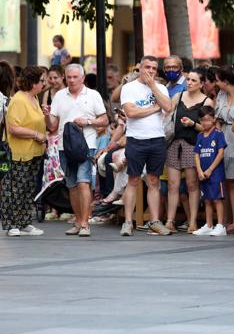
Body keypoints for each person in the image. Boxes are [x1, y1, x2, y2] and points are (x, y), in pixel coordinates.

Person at [46, 64, 108, 236]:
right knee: (71, 185)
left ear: (82, 78)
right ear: (65, 77)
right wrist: (46, 114)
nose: (72, 80)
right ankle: (78, 220)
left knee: (83, 182)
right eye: (69, 77)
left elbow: (104, 120)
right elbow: (52, 125)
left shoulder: (93, 95)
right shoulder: (59, 95)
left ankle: (85, 223)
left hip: (86, 145)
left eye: (75, 77)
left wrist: (88, 122)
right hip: (64, 146)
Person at [119, 56, 173, 236]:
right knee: (133, 180)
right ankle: (128, 221)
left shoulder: (161, 88)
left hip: (157, 138)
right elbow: (130, 112)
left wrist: (153, 87)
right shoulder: (129, 88)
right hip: (136, 139)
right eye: (147, 67)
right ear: (139, 68)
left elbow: (168, 106)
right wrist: (154, 109)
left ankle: (155, 221)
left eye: (154, 68)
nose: (150, 71)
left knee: (154, 181)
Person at [1, 66, 48, 236]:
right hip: (18, 153)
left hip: (34, 152)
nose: (44, 83)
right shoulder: (19, 100)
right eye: (42, 80)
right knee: (14, 189)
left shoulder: (34, 97)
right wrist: (36, 134)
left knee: (28, 189)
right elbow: (13, 128)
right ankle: (11, 224)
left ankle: (24, 222)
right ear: (33, 82)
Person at [165, 69, 213, 234]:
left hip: (193, 145)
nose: (189, 83)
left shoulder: (207, 102)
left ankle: (192, 221)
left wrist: (193, 124)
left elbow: (208, 129)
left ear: (201, 83)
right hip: (174, 143)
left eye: (194, 80)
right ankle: (170, 221)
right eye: (188, 80)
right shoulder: (178, 96)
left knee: (192, 184)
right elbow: (167, 114)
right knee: (173, 184)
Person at [214, 66, 234, 234]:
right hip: (223, 135)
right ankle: (225, 219)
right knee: (224, 180)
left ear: (225, 81)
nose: (216, 84)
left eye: (218, 80)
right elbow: (217, 118)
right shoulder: (221, 95)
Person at [193, 105, 228, 236]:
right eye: (202, 120)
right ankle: (208, 225)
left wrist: (210, 169)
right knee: (206, 198)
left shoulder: (218, 134)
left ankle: (220, 225)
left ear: (213, 119)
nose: (205, 122)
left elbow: (220, 153)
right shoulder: (200, 135)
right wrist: (200, 171)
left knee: (217, 198)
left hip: (215, 173)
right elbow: (196, 154)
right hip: (203, 174)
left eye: (208, 119)